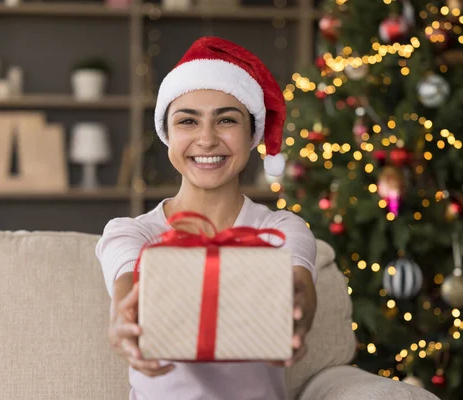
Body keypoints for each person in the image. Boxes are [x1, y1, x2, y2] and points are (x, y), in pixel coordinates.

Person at [95, 36, 318, 400]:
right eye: (188, 122)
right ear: (167, 136)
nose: (207, 139)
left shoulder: (279, 229)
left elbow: (300, 286)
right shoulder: (131, 233)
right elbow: (126, 280)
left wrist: (297, 316)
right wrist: (125, 319)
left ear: (251, 135)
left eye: (226, 120)